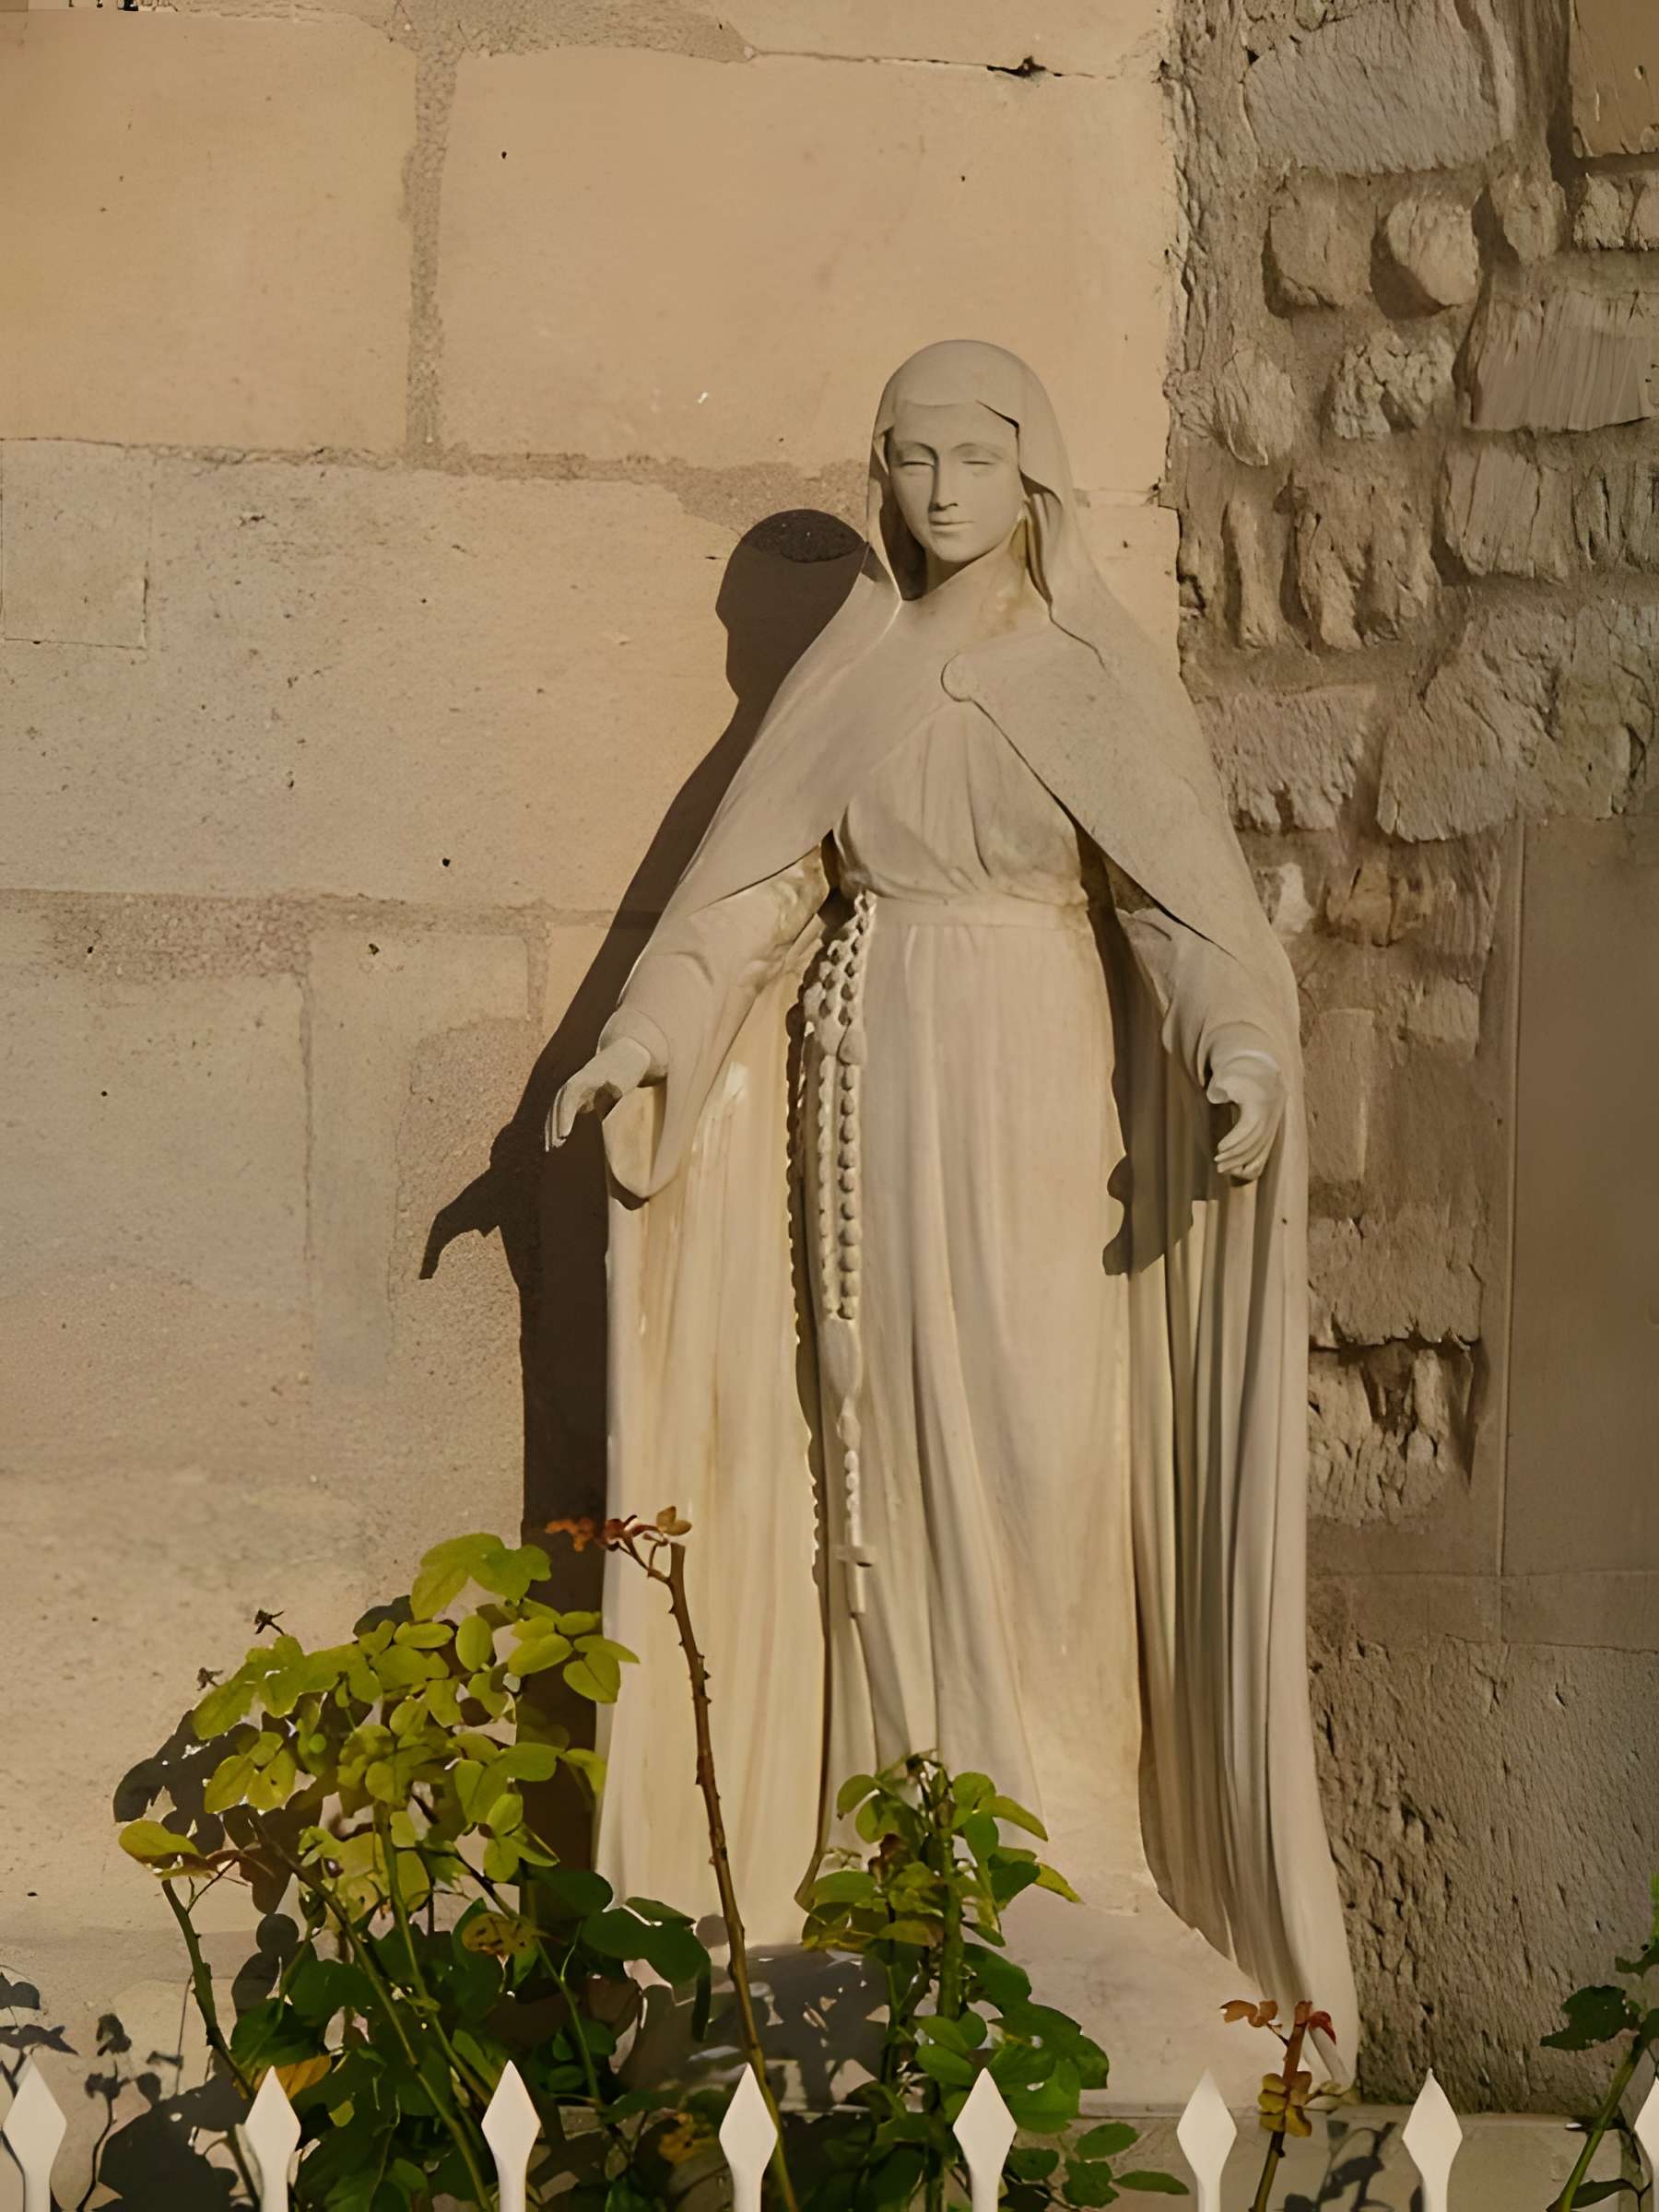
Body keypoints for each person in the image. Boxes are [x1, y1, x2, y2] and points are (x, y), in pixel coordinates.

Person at [550, 340, 1356, 2062]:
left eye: (973, 461)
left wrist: (1243, 1053)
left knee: (1043, 1452)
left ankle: (1063, 1851)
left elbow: (1180, 911)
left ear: (1032, 475)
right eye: (909, 461)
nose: (938, 494)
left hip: (1039, 1085)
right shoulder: (850, 675)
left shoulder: (1089, 672)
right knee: (882, 1455)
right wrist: (643, 1034)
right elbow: (751, 896)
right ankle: (901, 1836)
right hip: (873, 1089)